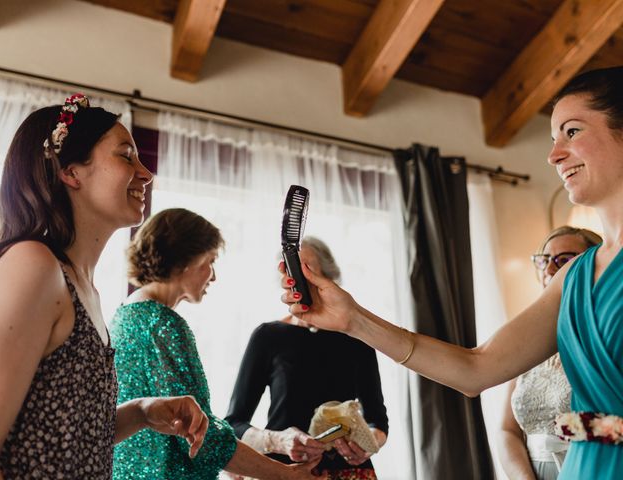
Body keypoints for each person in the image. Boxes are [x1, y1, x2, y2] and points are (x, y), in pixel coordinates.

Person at [279, 66, 623, 479]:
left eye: (572, 132)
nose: (553, 155)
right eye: (552, 139)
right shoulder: (575, 278)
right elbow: (476, 369)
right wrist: (353, 318)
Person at [0, 95, 208, 479]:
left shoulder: (82, 286)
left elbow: (68, 436)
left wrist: (141, 412)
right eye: (126, 156)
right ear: (71, 172)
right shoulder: (33, 265)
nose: (146, 173)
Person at [110, 208, 325, 480]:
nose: (213, 276)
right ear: (186, 259)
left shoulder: (124, 316)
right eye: (210, 261)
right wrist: (284, 474)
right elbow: (202, 435)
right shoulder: (164, 324)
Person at [225, 237, 388, 480]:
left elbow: (377, 420)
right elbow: (234, 423)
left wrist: (368, 444)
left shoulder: (357, 338)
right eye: (289, 268)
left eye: (306, 268)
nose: (297, 277)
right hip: (285, 471)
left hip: (350, 472)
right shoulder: (268, 336)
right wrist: (277, 441)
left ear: (327, 276)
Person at [498, 226, 602, 480]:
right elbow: (506, 430)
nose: (550, 269)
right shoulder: (526, 338)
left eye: (564, 260)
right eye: (544, 260)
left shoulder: (607, 334)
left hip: (594, 470)